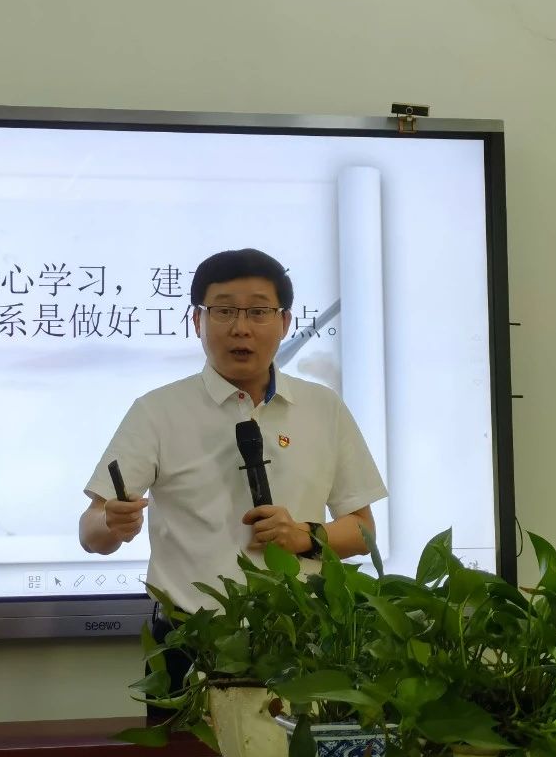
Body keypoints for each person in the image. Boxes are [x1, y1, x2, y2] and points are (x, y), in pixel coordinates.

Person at [79, 248, 388, 716]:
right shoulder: (158, 411)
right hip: (189, 642)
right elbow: (91, 532)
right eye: (223, 311)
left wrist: (305, 536)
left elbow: (362, 531)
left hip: (300, 643)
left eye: (258, 312)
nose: (240, 328)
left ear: (284, 323)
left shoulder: (323, 408)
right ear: (197, 321)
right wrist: (111, 523)